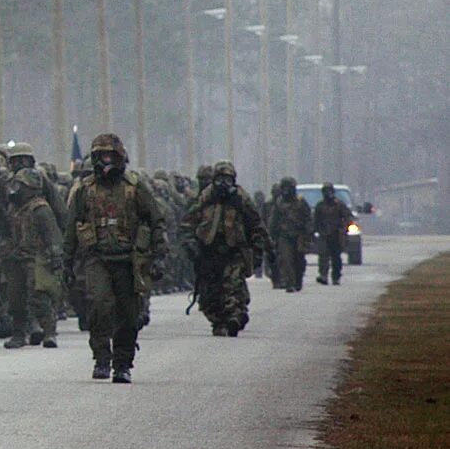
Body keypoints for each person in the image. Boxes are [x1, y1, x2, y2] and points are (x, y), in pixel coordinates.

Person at [63, 133, 164, 384]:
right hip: (97, 258)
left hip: (129, 259)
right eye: (100, 156)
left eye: (109, 156)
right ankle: (101, 358)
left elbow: (155, 220)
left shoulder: (134, 187)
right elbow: (71, 228)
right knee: (99, 306)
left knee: (129, 315)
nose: (105, 162)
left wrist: (159, 256)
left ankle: (122, 363)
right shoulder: (84, 189)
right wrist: (66, 263)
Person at [184, 161, 271, 337]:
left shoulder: (241, 198)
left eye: (227, 180)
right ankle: (218, 321)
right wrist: (191, 244)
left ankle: (235, 316)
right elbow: (188, 222)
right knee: (209, 293)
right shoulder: (205, 198)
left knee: (233, 286)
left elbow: (256, 224)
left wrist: (259, 247)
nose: (223, 184)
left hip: (234, 251)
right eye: (220, 180)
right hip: (209, 251)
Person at [0, 154, 63, 350]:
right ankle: (19, 333)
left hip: (37, 259)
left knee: (39, 296)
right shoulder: (13, 208)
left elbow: (52, 234)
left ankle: (49, 331)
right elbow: (5, 230)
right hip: (16, 257)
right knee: (15, 297)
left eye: (20, 186)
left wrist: (55, 255)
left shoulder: (41, 209)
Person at [267, 177, 311, 293]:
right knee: (286, 259)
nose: (286, 191)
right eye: (284, 188)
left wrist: (307, 233)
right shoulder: (278, 203)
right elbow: (273, 220)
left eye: (289, 188)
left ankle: (298, 280)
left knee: (299, 260)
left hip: (299, 235)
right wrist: (271, 236)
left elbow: (308, 219)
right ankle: (289, 282)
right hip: (284, 235)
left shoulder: (301, 202)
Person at [313, 182, 355, 286]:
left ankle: (336, 277)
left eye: (329, 191)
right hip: (324, 234)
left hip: (336, 234)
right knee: (323, 256)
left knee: (336, 257)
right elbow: (315, 220)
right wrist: (313, 231)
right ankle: (323, 275)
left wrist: (344, 229)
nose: (328, 194)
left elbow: (348, 217)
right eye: (326, 192)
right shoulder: (320, 206)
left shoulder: (339, 205)